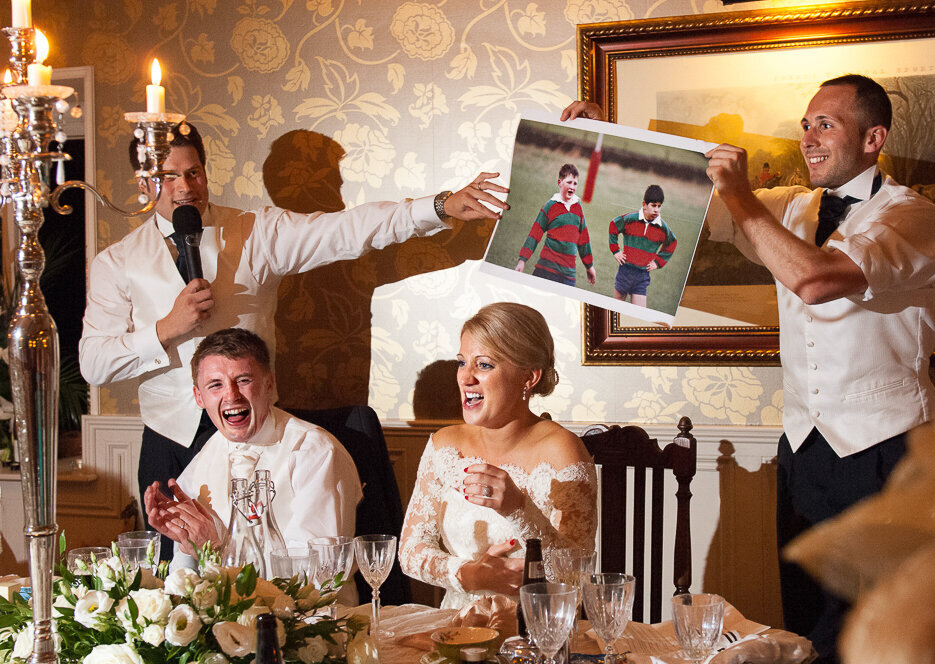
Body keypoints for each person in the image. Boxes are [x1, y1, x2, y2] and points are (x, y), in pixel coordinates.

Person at [565, 74, 935, 664]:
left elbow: (816, 279)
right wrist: (601, 141)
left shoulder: (913, 216)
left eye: (827, 123)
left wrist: (742, 195)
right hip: (802, 448)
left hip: (889, 451)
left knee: (890, 632)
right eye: (805, 124)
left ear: (874, 138)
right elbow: (680, 201)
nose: (809, 137)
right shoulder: (793, 206)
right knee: (809, 627)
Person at [79, 123, 508, 557]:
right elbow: (94, 363)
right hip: (172, 445)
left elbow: (347, 229)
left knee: (264, 568)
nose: (185, 188)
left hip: (261, 439)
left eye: (194, 173)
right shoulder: (116, 263)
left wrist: (439, 206)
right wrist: (165, 329)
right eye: (169, 177)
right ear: (142, 182)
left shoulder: (255, 233)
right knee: (181, 594)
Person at [398, 302, 597, 609]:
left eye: (484, 365)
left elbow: (573, 573)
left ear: (528, 378)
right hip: (456, 630)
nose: (466, 378)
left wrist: (519, 508)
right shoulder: (444, 445)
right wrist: (469, 575)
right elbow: (410, 551)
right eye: (462, 362)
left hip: (535, 628)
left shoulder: (563, 451)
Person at [143, 329, 361, 589]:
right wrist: (184, 540)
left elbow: (319, 576)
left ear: (269, 385)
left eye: (243, 380)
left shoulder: (313, 451)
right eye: (216, 385)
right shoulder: (203, 459)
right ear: (199, 397)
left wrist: (215, 549)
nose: (231, 395)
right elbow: (186, 570)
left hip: (310, 619)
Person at [514, 163, 597, 286]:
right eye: (569, 182)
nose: (572, 187)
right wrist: (522, 260)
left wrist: (589, 266)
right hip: (546, 271)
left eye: (575, 183)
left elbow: (584, 239)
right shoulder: (550, 206)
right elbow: (535, 234)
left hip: (569, 275)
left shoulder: (578, 207)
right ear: (560, 182)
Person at [608, 184, 678, 307]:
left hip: (642, 276)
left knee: (640, 314)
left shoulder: (662, 228)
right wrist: (616, 251)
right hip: (625, 271)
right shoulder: (631, 219)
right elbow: (613, 225)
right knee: (615, 309)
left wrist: (658, 262)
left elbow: (672, 243)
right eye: (653, 205)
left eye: (659, 206)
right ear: (644, 205)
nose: (656, 209)